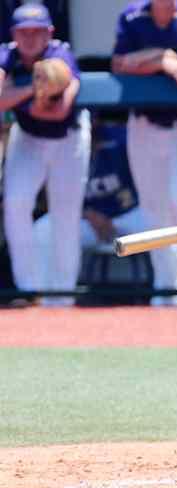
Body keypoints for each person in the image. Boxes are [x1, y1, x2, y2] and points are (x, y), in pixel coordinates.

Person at [110, 0, 177, 307]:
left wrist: (157, 58)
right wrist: (164, 61)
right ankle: (166, 288)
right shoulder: (132, 16)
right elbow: (119, 64)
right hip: (145, 124)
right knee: (154, 209)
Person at [0, 3, 90, 307]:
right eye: (23, 32)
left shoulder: (60, 54)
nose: (29, 38)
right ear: (14, 33)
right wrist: (30, 89)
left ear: (49, 33)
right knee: (15, 203)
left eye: (36, 32)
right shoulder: (7, 54)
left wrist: (14, 92)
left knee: (65, 215)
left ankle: (62, 296)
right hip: (28, 138)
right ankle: (29, 291)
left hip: (68, 139)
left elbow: (57, 111)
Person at [33, 125, 148, 287]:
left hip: (131, 215)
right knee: (43, 229)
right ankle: (46, 294)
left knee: (168, 223)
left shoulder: (123, 139)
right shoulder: (62, 143)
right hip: (88, 221)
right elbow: (51, 199)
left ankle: (174, 293)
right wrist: (87, 214)